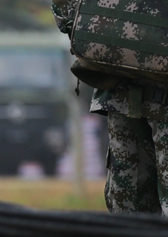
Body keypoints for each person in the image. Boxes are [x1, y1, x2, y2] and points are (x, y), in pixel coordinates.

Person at [53, 0, 168, 215]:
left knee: (129, 213)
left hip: (120, 82)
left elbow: (65, 11)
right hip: (123, 89)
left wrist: (81, 25)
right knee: (129, 214)